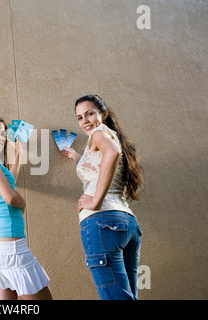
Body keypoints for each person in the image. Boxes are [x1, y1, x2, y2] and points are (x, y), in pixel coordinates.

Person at [61, 95, 144, 300]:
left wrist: (95, 201)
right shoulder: (108, 135)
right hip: (127, 225)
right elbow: (99, 167)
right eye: (80, 117)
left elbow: (112, 153)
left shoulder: (99, 134)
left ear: (104, 114)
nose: (85, 120)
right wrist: (76, 156)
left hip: (102, 223)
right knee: (126, 296)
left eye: (90, 113)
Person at [0, 116, 52, 300]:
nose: (0, 138)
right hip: (8, 248)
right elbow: (10, 196)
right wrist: (23, 204)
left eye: (3, 134)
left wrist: (18, 154)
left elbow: (8, 182)